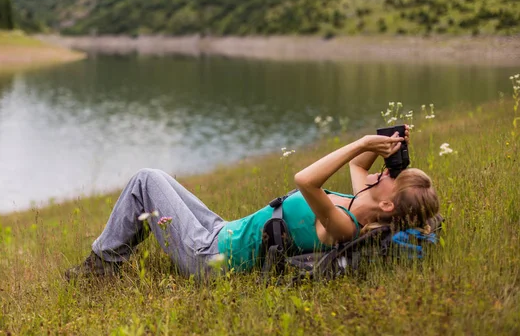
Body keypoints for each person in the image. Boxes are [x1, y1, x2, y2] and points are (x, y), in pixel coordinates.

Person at [65, 125, 439, 280]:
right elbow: (360, 164)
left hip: (209, 257)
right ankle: (108, 260)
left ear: (389, 207)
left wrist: (360, 142)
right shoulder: (359, 199)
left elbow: (306, 180)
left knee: (145, 180)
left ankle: (99, 269)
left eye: (394, 176)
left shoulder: (341, 224)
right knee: (155, 180)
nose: (387, 170)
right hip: (221, 232)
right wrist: (386, 140)